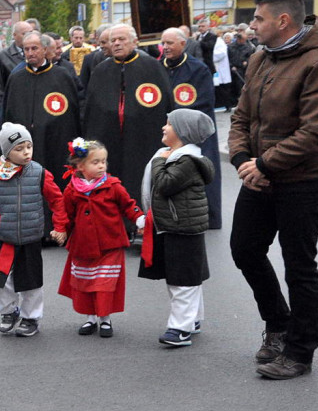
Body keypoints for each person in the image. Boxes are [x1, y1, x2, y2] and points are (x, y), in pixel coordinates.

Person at [230, 0, 318, 380]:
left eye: (258, 18)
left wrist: (265, 165)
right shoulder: (261, 57)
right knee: (244, 249)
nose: (252, 24)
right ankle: (278, 324)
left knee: (299, 266)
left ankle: (299, 352)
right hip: (259, 176)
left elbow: (317, 133)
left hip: (305, 180)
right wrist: (244, 161)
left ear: (283, 21)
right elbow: (241, 118)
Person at [0, 124, 67, 338]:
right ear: (7, 152)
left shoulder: (39, 173)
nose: (26, 152)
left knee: (31, 281)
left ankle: (31, 317)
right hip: (6, 238)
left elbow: (57, 199)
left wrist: (60, 226)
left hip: (31, 238)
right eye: (19, 148)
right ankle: (8, 312)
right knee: (2, 280)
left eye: (29, 147)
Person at [138, 109, 215, 348]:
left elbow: (164, 184)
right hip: (174, 225)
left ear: (182, 132)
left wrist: (160, 160)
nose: (164, 127)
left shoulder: (186, 161)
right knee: (186, 277)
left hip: (183, 226)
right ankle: (193, 320)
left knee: (183, 280)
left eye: (169, 124)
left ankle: (180, 329)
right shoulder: (176, 156)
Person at [57, 139, 144, 337]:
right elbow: (66, 213)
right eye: (95, 162)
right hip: (83, 245)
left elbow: (128, 204)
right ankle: (90, 318)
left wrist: (139, 217)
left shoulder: (113, 186)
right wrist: (61, 229)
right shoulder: (72, 189)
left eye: (103, 162)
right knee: (86, 282)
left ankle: (105, 319)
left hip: (109, 244)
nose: (101, 166)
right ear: (80, 166)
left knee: (104, 283)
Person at [82, 24, 174, 210]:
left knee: (140, 179)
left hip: (143, 137)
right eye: (112, 40)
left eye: (121, 39)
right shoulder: (101, 70)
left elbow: (166, 104)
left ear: (134, 41)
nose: (116, 43)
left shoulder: (151, 67)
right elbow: (91, 108)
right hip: (109, 138)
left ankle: (141, 222)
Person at [1, 31, 82, 198]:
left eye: (34, 48)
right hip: (25, 147)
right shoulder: (16, 78)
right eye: (26, 49)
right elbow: (7, 114)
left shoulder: (63, 76)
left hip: (56, 144)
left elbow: (74, 113)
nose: (30, 53)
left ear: (45, 49)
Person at [158, 27, 223, 229]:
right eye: (163, 43)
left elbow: (204, 102)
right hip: (165, 131)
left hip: (192, 132)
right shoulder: (156, 67)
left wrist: (178, 121)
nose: (166, 47)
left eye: (170, 43)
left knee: (198, 173)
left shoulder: (198, 69)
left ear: (183, 44)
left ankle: (207, 217)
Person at [227, 29, 253, 104]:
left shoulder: (247, 47)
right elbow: (227, 58)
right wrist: (231, 66)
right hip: (233, 69)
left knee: (241, 86)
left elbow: (250, 57)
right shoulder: (230, 47)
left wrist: (246, 62)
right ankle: (232, 102)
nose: (244, 41)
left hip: (243, 69)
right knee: (232, 87)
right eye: (243, 40)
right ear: (239, 39)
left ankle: (241, 101)